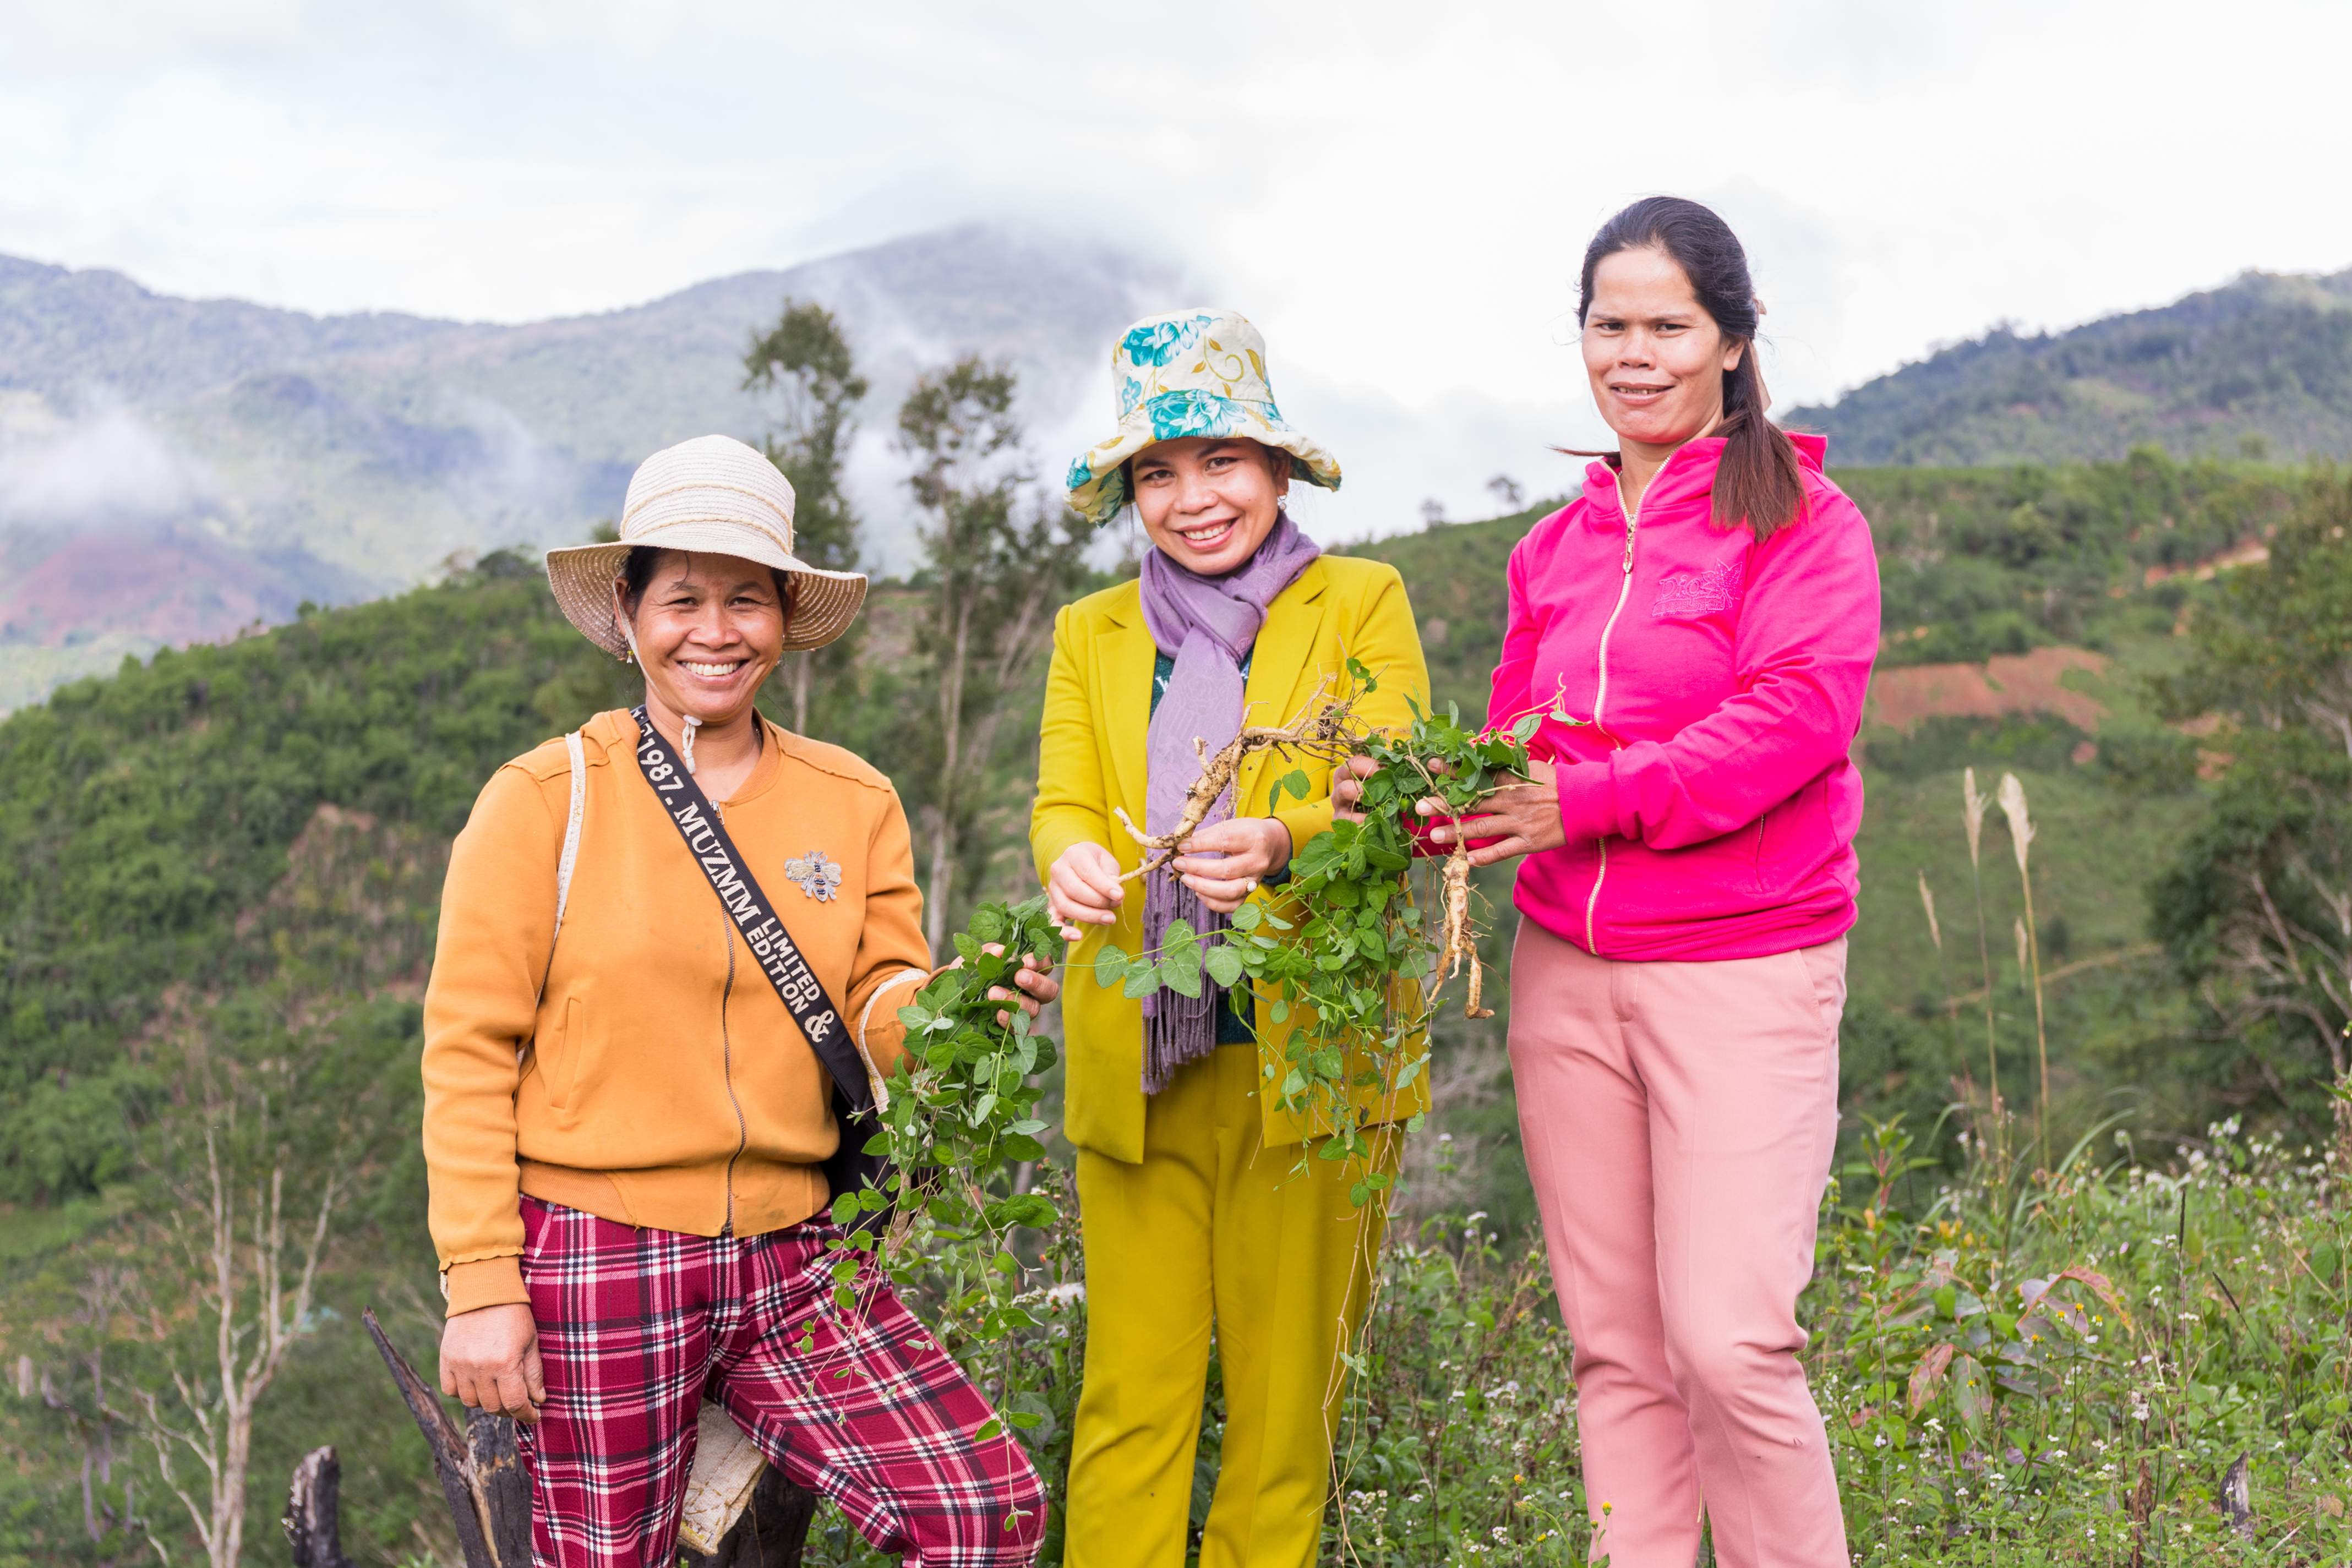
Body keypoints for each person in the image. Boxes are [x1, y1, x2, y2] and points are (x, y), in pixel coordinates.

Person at [1343, 198, 1880, 1566]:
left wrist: (1579, 799)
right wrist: (1413, 805)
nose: (1633, 355)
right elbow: (1509, 758)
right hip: (1564, 979)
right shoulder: (1550, 551)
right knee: (1615, 1348)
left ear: (1734, 342)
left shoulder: (1807, 524)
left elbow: (1789, 723)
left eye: (1667, 327)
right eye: (1609, 325)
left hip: (1741, 970)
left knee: (1731, 1341)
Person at [423, 434, 1057, 1568]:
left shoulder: (852, 798)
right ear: (627, 611)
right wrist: (480, 1284)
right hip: (597, 1254)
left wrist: (956, 1012)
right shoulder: (542, 800)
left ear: (783, 617)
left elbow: (876, 1007)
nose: (714, 632)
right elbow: (468, 1050)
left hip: (799, 1254)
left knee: (982, 1515)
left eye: (746, 601)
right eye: (683, 599)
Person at [1034, 309, 1431, 1568]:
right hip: (1141, 1062)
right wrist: (1071, 861)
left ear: (1272, 468)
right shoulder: (1090, 632)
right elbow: (1058, 801)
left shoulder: (1360, 601)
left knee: (1280, 1412)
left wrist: (1279, 843)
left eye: (1219, 462)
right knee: (1129, 1400)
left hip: (1307, 1065)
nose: (1191, 498)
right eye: (1158, 473)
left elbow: (1391, 800)